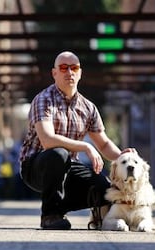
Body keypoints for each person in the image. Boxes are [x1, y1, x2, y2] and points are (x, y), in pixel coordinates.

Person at [19, 51, 133, 230]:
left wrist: (124, 158)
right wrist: (85, 146)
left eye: (74, 68)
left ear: (80, 73)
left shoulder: (88, 107)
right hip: (37, 167)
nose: (69, 72)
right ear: (54, 73)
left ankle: (62, 206)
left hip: (69, 166)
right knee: (58, 153)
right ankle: (50, 215)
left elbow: (103, 143)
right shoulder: (43, 100)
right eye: (63, 68)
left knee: (104, 190)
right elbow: (48, 141)